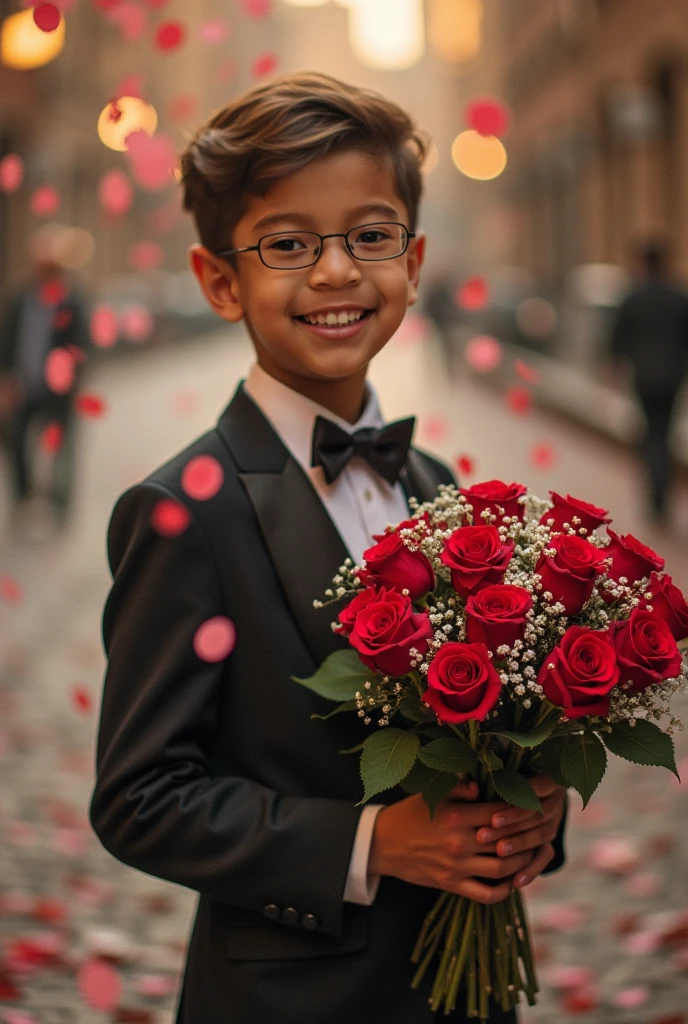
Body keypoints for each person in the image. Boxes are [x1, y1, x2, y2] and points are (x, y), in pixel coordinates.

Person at [88, 72, 567, 1024]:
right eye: (289, 244)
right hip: (290, 997)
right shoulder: (185, 510)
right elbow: (141, 797)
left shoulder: (440, 486)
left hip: (459, 998)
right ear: (220, 279)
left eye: (371, 235)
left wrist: (532, 816)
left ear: (415, 260)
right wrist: (372, 843)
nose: (339, 271)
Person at [0, 230, 89, 528]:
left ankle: (59, 506)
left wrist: (73, 382)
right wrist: (7, 379)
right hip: (24, 387)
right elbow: (7, 342)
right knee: (17, 443)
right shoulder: (19, 299)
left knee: (61, 450)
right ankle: (24, 499)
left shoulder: (71, 300)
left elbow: (81, 345)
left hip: (58, 392)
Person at [609, 239, 688, 523]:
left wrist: (615, 365)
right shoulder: (679, 296)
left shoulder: (633, 297)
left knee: (650, 433)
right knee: (665, 433)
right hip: (673, 376)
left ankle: (654, 497)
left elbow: (617, 339)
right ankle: (662, 496)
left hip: (643, 376)